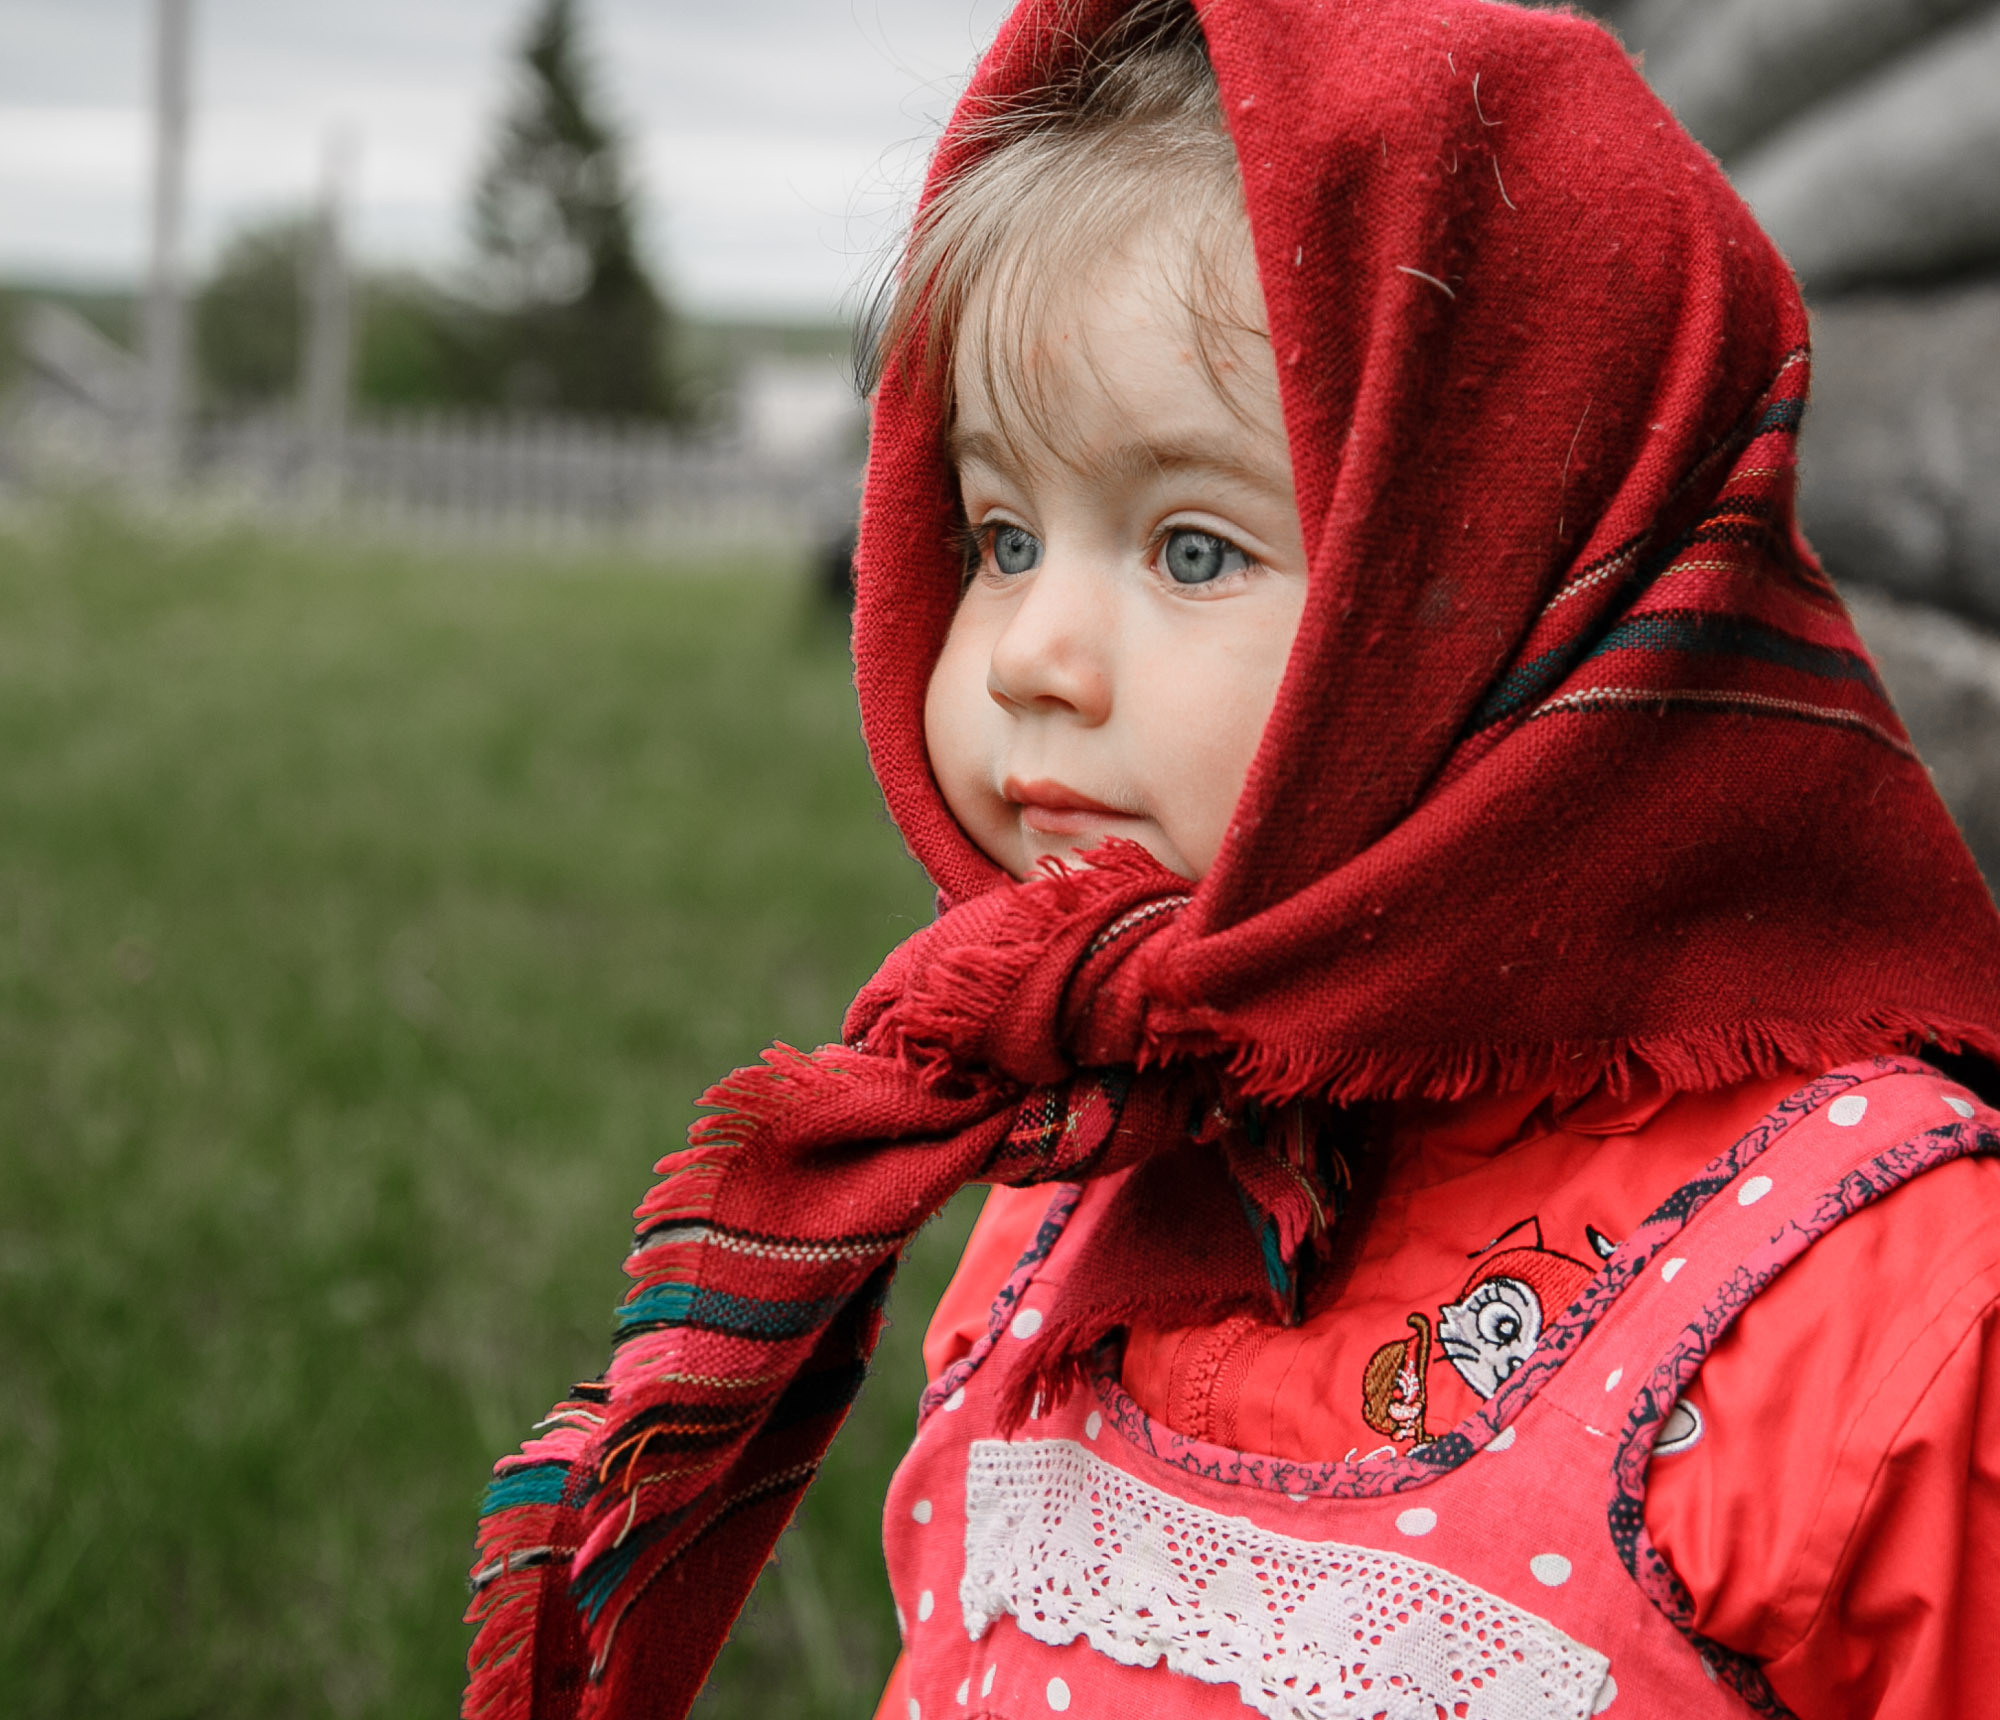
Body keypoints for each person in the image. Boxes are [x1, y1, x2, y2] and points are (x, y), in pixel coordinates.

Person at [463, 3, 2000, 1717]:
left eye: (1192, 545)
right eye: (1000, 535)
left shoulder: (1877, 1296)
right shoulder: (1086, 1180)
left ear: (1524, 588)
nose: (1029, 651)